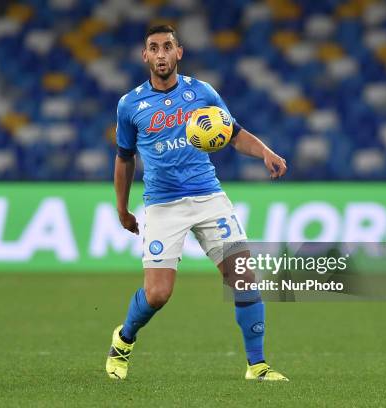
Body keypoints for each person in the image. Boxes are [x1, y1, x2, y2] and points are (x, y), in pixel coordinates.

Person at [106, 24, 288, 381]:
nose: (161, 54)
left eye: (167, 47)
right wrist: (122, 209)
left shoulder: (202, 93)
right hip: (162, 204)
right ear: (145, 56)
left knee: (244, 278)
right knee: (157, 294)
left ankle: (257, 366)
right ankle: (123, 341)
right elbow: (124, 158)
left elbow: (233, 134)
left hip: (208, 197)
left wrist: (264, 152)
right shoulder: (130, 105)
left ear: (179, 52)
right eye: (154, 48)